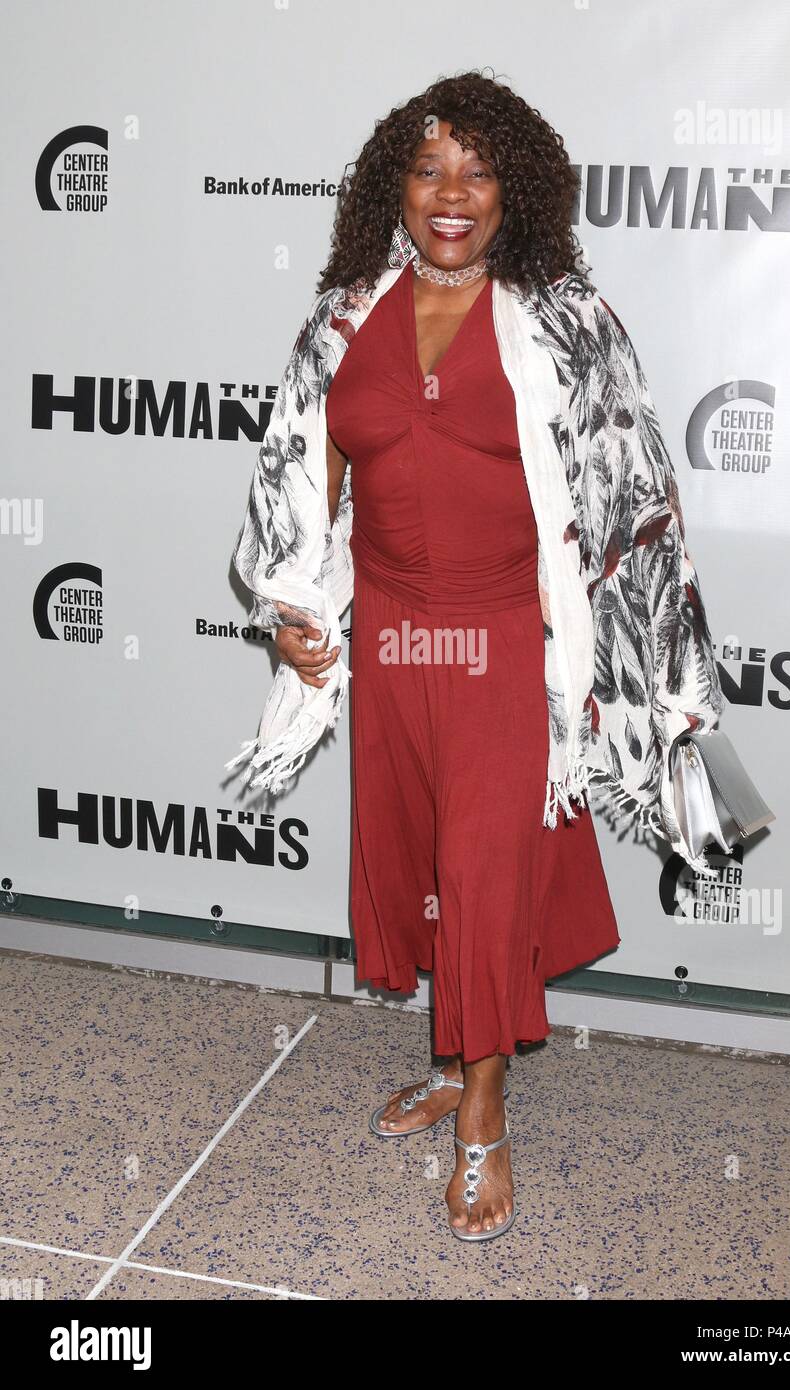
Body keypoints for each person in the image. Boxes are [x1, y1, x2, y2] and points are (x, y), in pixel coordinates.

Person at [229, 70, 724, 1243]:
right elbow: (302, 480)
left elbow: (633, 498)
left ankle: (484, 1120)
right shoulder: (343, 315)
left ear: (517, 190)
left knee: (489, 873)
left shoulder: (564, 318)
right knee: (428, 862)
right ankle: (458, 1056)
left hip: (509, 638)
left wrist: (650, 671)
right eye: (427, 168)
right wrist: (292, 607)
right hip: (397, 637)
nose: (451, 194)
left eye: (478, 170)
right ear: (390, 189)